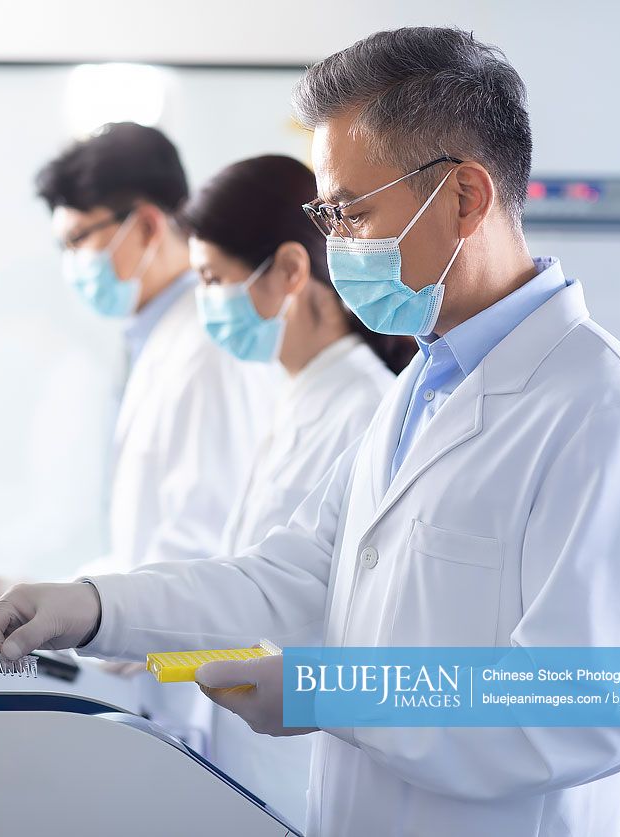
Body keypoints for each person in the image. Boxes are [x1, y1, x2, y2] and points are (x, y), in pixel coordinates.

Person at [0, 27, 620, 836]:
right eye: (326, 214)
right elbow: (285, 579)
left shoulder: (604, 411)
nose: (335, 244)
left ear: (464, 196)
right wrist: (92, 604)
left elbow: (592, 705)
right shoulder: (419, 391)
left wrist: (331, 690)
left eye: (351, 212)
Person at [0, 122, 275, 748]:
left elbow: (202, 545)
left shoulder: (210, 348)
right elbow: (152, 538)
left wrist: (90, 609)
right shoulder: (162, 342)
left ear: (149, 226)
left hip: (200, 698)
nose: (74, 263)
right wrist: (55, 593)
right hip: (162, 683)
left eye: (80, 238)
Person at [183, 153, 411, 818]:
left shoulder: (364, 409)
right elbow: (252, 576)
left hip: (300, 765)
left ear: (289, 270)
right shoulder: (297, 396)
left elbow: (314, 604)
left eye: (213, 279)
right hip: (252, 760)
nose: (206, 302)